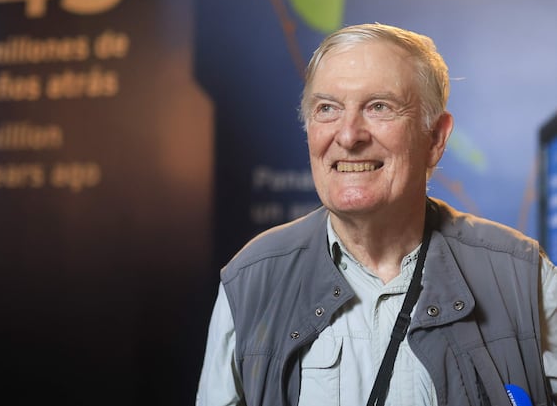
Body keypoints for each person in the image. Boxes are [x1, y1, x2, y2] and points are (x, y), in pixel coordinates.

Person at [195, 23, 557, 406]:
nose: (349, 136)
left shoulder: (522, 276)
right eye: (327, 109)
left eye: (379, 107)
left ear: (435, 138)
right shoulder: (251, 280)